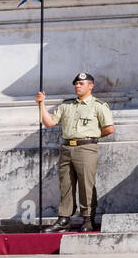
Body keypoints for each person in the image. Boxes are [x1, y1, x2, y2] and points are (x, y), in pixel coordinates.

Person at [36, 72, 113, 232]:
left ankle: (87, 218)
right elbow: (49, 122)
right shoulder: (66, 105)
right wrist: (41, 104)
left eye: (81, 84)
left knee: (86, 183)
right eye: (76, 83)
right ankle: (64, 218)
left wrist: (90, 136)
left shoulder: (98, 105)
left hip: (86, 147)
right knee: (66, 183)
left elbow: (109, 128)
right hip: (67, 147)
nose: (77, 86)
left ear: (91, 86)